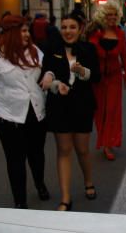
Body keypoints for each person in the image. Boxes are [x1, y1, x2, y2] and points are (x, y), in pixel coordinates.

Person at [0, 15, 50, 208]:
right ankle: (20, 201)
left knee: (37, 154)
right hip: (9, 116)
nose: (28, 34)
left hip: (36, 113)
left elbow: (48, 71)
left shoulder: (36, 51)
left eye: (28, 30)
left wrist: (52, 78)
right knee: (15, 160)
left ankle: (40, 183)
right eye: (23, 30)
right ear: (11, 33)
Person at [42, 12, 100, 211]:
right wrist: (55, 84)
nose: (68, 31)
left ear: (80, 29)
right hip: (59, 106)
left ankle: (89, 180)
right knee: (63, 150)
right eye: (64, 27)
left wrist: (82, 71)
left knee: (82, 150)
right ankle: (65, 198)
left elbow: (96, 76)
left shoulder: (89, 49)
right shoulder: (52, 49)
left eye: (72, 27)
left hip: (82, 106)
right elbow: (45, 76)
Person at [88, 1, 126, 160]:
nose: (113, 18)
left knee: (113, 111)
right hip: (98, 79)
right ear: (103, 16)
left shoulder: (120, 34)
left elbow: (124, 56)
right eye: (109, 15)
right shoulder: (94, 33)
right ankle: (104, 139)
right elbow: (87, 54)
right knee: (100, 112)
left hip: (114, 77)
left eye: (115, 15)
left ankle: (108, 144)